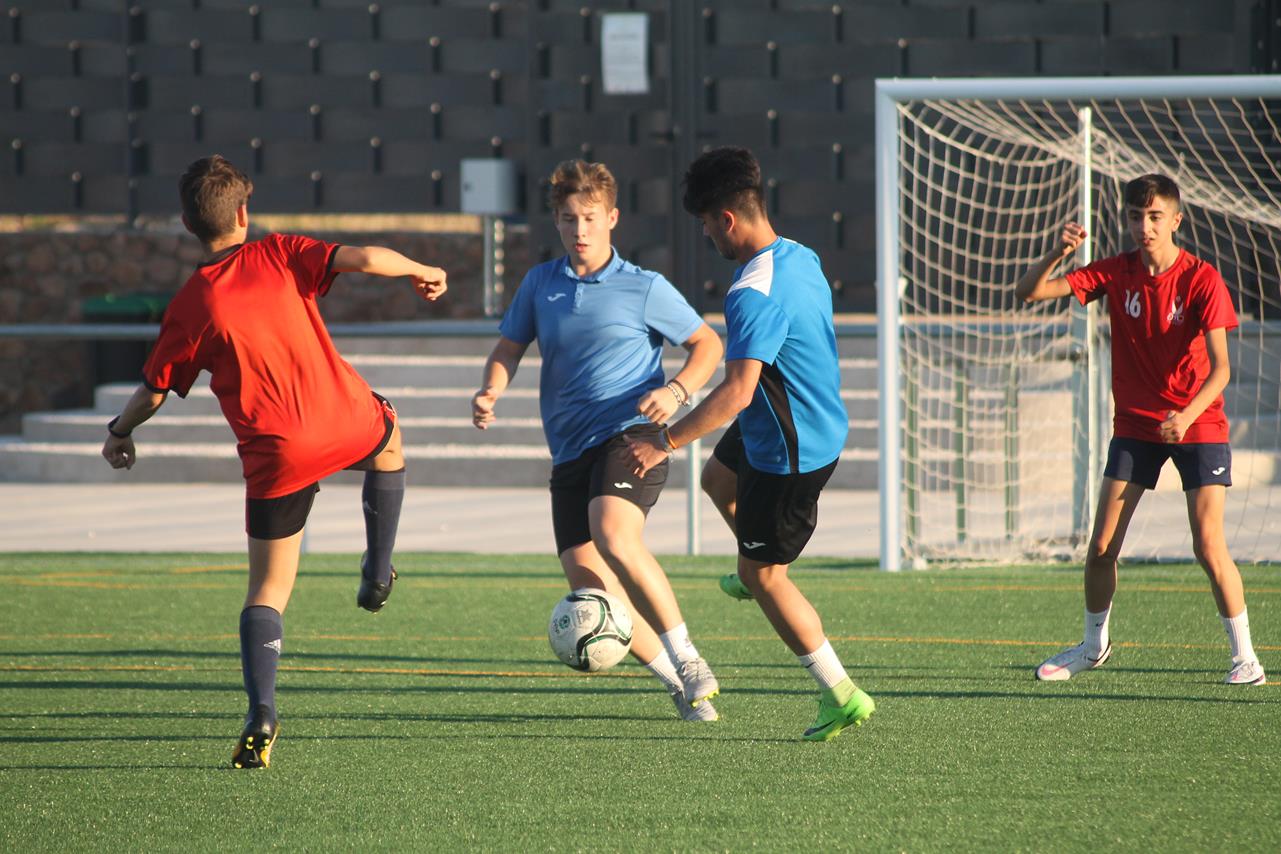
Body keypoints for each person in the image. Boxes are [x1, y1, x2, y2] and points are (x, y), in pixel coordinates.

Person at [101, 155, 449, 768]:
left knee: (268, 588)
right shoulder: (281, 253)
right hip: (344, 421)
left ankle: (262, 711)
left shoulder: (190, 304)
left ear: (187, 223)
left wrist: (119, 432)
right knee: (389, 439)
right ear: (243, 211)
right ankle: (377, 570)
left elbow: (153, 390)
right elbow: (366, 258)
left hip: (277, 456)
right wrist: (422, 269)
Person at [627, 146, 875, 742]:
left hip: (791, 451)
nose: (708, 235)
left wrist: (666, 440)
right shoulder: (801, 257)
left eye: (707, 224)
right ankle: (756, 560)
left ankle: (840, 693)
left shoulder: (750, 293)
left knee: (766, 578)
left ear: (727, 220)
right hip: (793, 421)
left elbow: (736, 392)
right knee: (719, 480)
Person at [471, 159, 725, 721]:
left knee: (614, 532)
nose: (578, 230)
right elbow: (508, 349)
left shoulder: (644, 286)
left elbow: (707, 344)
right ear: (555, 223)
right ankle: (679, 689)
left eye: (588, 217)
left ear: (612, 218)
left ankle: (689, 657)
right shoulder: (540, 284)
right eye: (567, 219)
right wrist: (490, 390)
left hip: (631, 434)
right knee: (594, 594)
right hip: (569, 452)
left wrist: (678, 391)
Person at [1016, 173, 1265, 686]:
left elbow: (1221, 368)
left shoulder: (1201, 279)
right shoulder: (1115, 272)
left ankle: (1246, 658)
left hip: (1198, 423)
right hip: (1135, 426)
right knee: (1102, 546)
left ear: (1176, 220)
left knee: (1208, 544)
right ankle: (1092, 645)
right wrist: (1057, 254)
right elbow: (1031, 292)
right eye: (1135, 216)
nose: (1143, 226)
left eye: (1154, 217)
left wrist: (1186, 416)